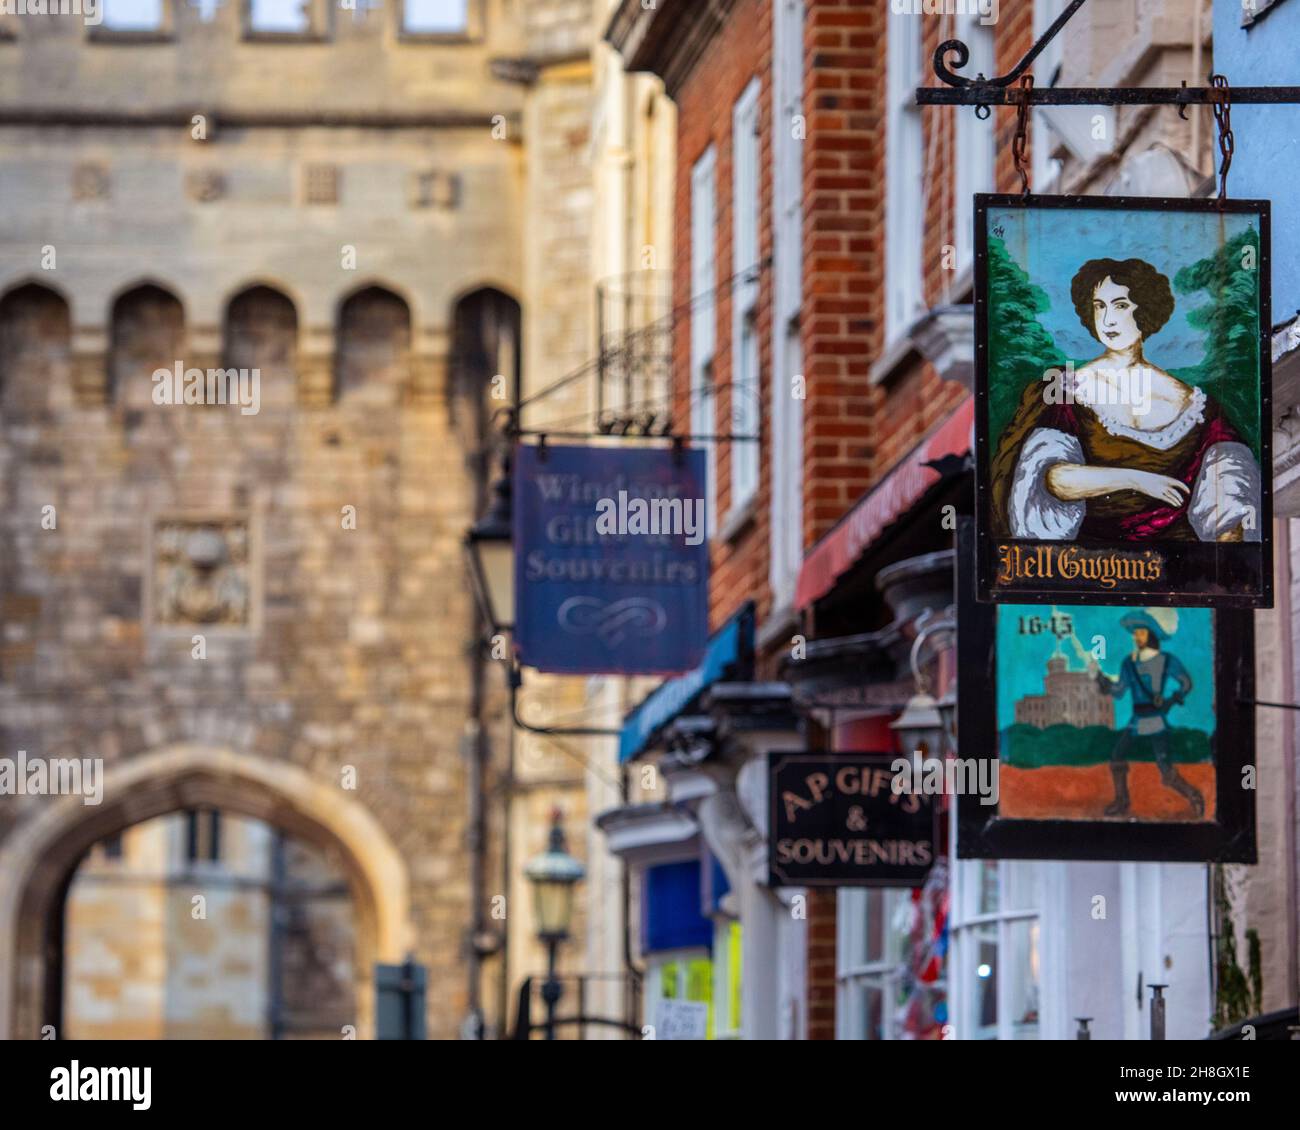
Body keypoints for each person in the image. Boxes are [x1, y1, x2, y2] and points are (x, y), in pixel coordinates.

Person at [991, 257, 1261, 542]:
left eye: (1120, 305)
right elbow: (1051, 478)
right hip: (1088, 566)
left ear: (1144, 309)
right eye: (1099, 306)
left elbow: (1230, 488)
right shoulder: (1067, 388)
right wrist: (1136, 479)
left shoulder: (1194, 405)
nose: (1107, 320)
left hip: (1181, 570)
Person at [1094, 610, 1203, 818]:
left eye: (1141, 632)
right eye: (1135, 633)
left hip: (1156, 720)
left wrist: (1172, 699)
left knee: (1165, 769)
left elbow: (1186, 683)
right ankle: (1122, 800)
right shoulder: (1128, 663)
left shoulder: (1166, 660)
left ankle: (1193, 795)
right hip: (1136, 721)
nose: (1136, 636)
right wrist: (1104, 683)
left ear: (1151, 634)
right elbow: (1119, 692)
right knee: (1117, 757)